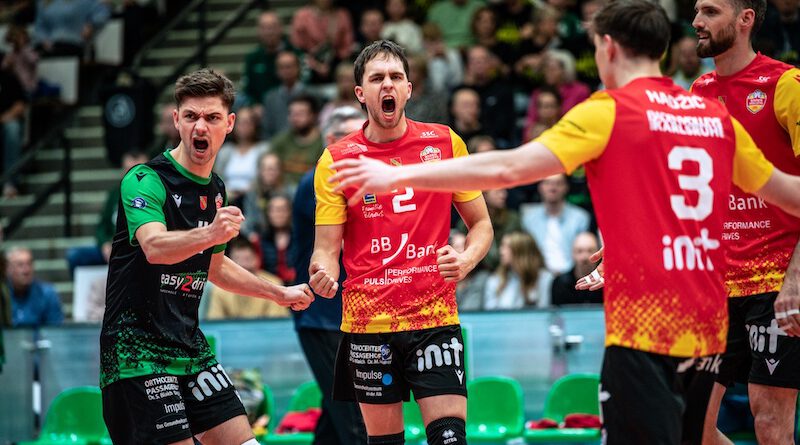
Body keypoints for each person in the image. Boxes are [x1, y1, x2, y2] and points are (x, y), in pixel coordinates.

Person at [326, 2, 800, 441]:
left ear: (608, 47)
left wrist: (399, 174)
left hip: (647, 327)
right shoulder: (712, 114)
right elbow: (785, 194)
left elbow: (509, 168)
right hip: (709, 320)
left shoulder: (609, 110)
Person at [99, 68, 314, 445]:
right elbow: (154, 247)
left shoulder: (216, 189)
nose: (201, 126)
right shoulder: (144, 179)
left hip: (189, 346)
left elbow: (214, 267)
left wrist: (278, 293)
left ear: (229, 124)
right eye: (191, 116)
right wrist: (212, 234)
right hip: (136, 350)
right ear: (176, 120)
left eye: (212, 117)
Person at [310, 40, 493, 445]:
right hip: (368, 322)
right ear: (361, 93)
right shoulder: (336, 159)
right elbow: (326, 248)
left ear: (409, 89)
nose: (387, 85)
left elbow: (482, 225)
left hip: (434, 317)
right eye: (377, 78)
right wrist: (322, 271)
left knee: (450, 438)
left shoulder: (444, 143)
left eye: (395, 77)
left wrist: (465, 260)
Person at [690, 0, 800, 443]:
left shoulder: (786, 84)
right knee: (691, 419)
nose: (696, 22)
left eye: (709, 11)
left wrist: (797, 278)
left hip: (777, 281)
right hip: (718, 283)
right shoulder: (698, 91)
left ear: (745, 19)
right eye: (696, 11)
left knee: (770, 422)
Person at [290, 105, 368, 445]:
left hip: (348, 316)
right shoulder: (315, 182)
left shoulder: (358, 181)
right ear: (330, 140)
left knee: (336, 423)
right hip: (322, 319)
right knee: (357, 421)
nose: (361, 145)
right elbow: (356, 232)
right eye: (352, 137)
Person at [66, 150, 149, 275]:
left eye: (137, 171)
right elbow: (102, 226)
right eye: (128, 170)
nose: (132, 175)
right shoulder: (115, 194)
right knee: (74, 255)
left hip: (138, 248)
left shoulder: (153, 194)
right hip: (112, 247)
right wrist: (104, 244)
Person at [520, 174, 590, 275]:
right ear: (540, 187)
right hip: (537, 274)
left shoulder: (580, 218)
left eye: (558, 183)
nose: (553, 188)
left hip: (571, 275)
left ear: (566, 187)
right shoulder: (529, 218)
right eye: (548, 183)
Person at [205, 237, 289, 320]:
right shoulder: (219, 288)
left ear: (257, 260)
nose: (243, 265)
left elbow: (276, 323)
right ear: (230, 262)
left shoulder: (274, 285)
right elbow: (215, 322)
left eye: (247, 259)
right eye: (237, 260)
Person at [483, 231, 552, 310]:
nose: (501, 251)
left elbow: (545, 311)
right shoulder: (495, 280)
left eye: (507, 247)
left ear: (521, 251)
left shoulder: (544, 278)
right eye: (502, 246)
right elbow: (490, 313)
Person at [6, 247, 64, 327]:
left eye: (29, 264)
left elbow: (56, 329)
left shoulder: (48, 294)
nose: (26, 270)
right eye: (20, 265)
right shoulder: (3, 296)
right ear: (8, 269)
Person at [550, 232, 603, 306]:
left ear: (598, 253)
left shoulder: (606, 282)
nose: (584, 257)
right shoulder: (560, 283)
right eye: (579, 251)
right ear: (572, 253)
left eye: (590, 251)